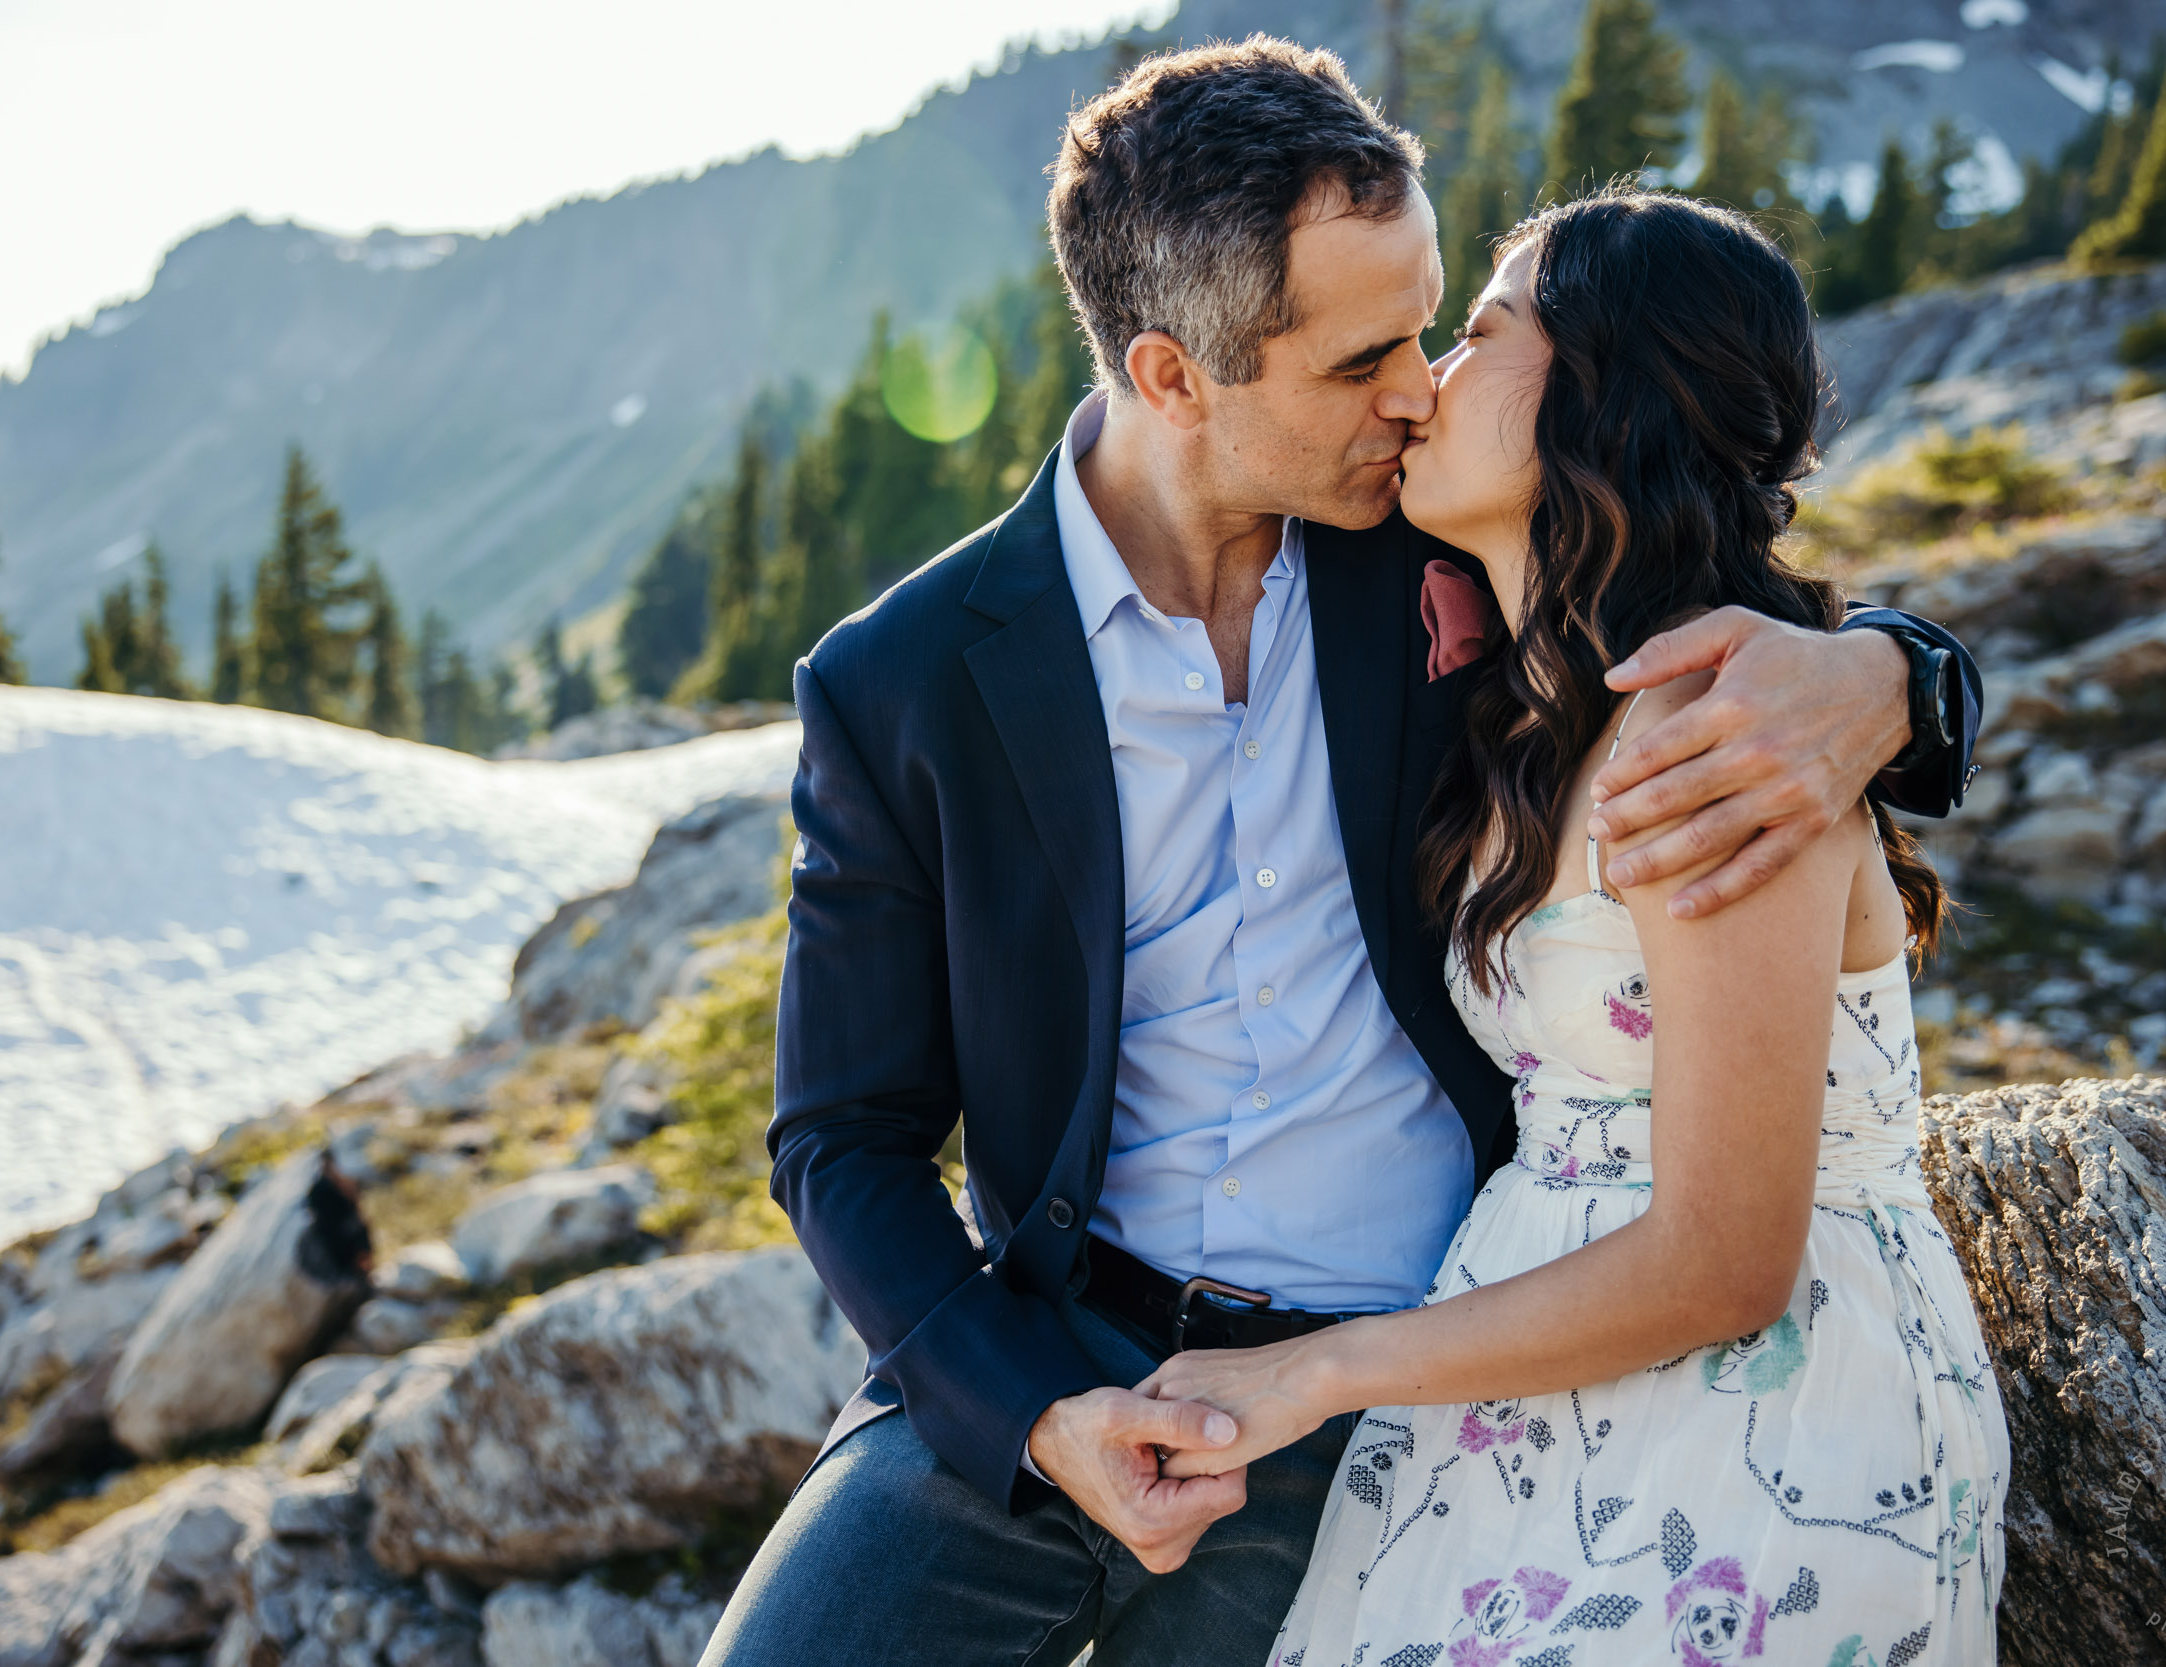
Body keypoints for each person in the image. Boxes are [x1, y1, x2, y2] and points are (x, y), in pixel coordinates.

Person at [702, 38, 1981, 1667]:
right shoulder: (902, 679)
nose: (1419, 387)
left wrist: (1891, 677)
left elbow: (1687, 566)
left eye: (1437, 321)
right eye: (1366, 352)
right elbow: (841, 1136)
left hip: (1390, 1372)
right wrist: (1034, 1416)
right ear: (1175, 377)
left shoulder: (1429, 548)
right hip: (1050, 1353)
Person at [1139, 187, 2011, 1667]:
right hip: (1529, 1387)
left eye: (1479, 334)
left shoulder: (1726, 727)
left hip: (1753, 1416)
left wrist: (1319, 1374)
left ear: (1607, 391)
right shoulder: (1538, 713)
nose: (1423, 385)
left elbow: (1728, 1258)